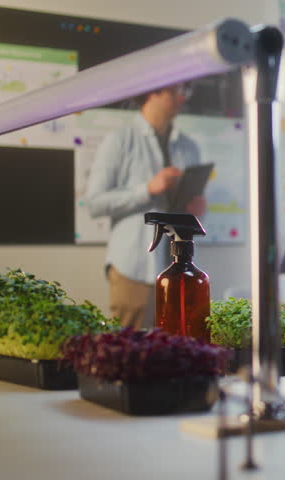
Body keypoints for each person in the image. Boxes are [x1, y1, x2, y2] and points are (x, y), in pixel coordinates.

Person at [86, 82, 206, 329]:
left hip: (178, 269)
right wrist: (147, 189)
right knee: (131, 356)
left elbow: (190, 206)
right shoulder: (119, 141)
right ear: (152, 92)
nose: (182, 98)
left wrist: (196, 209)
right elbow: (95, 203)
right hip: (133, 268)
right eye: (175, 91)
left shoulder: (189, 146)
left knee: (178, 348)